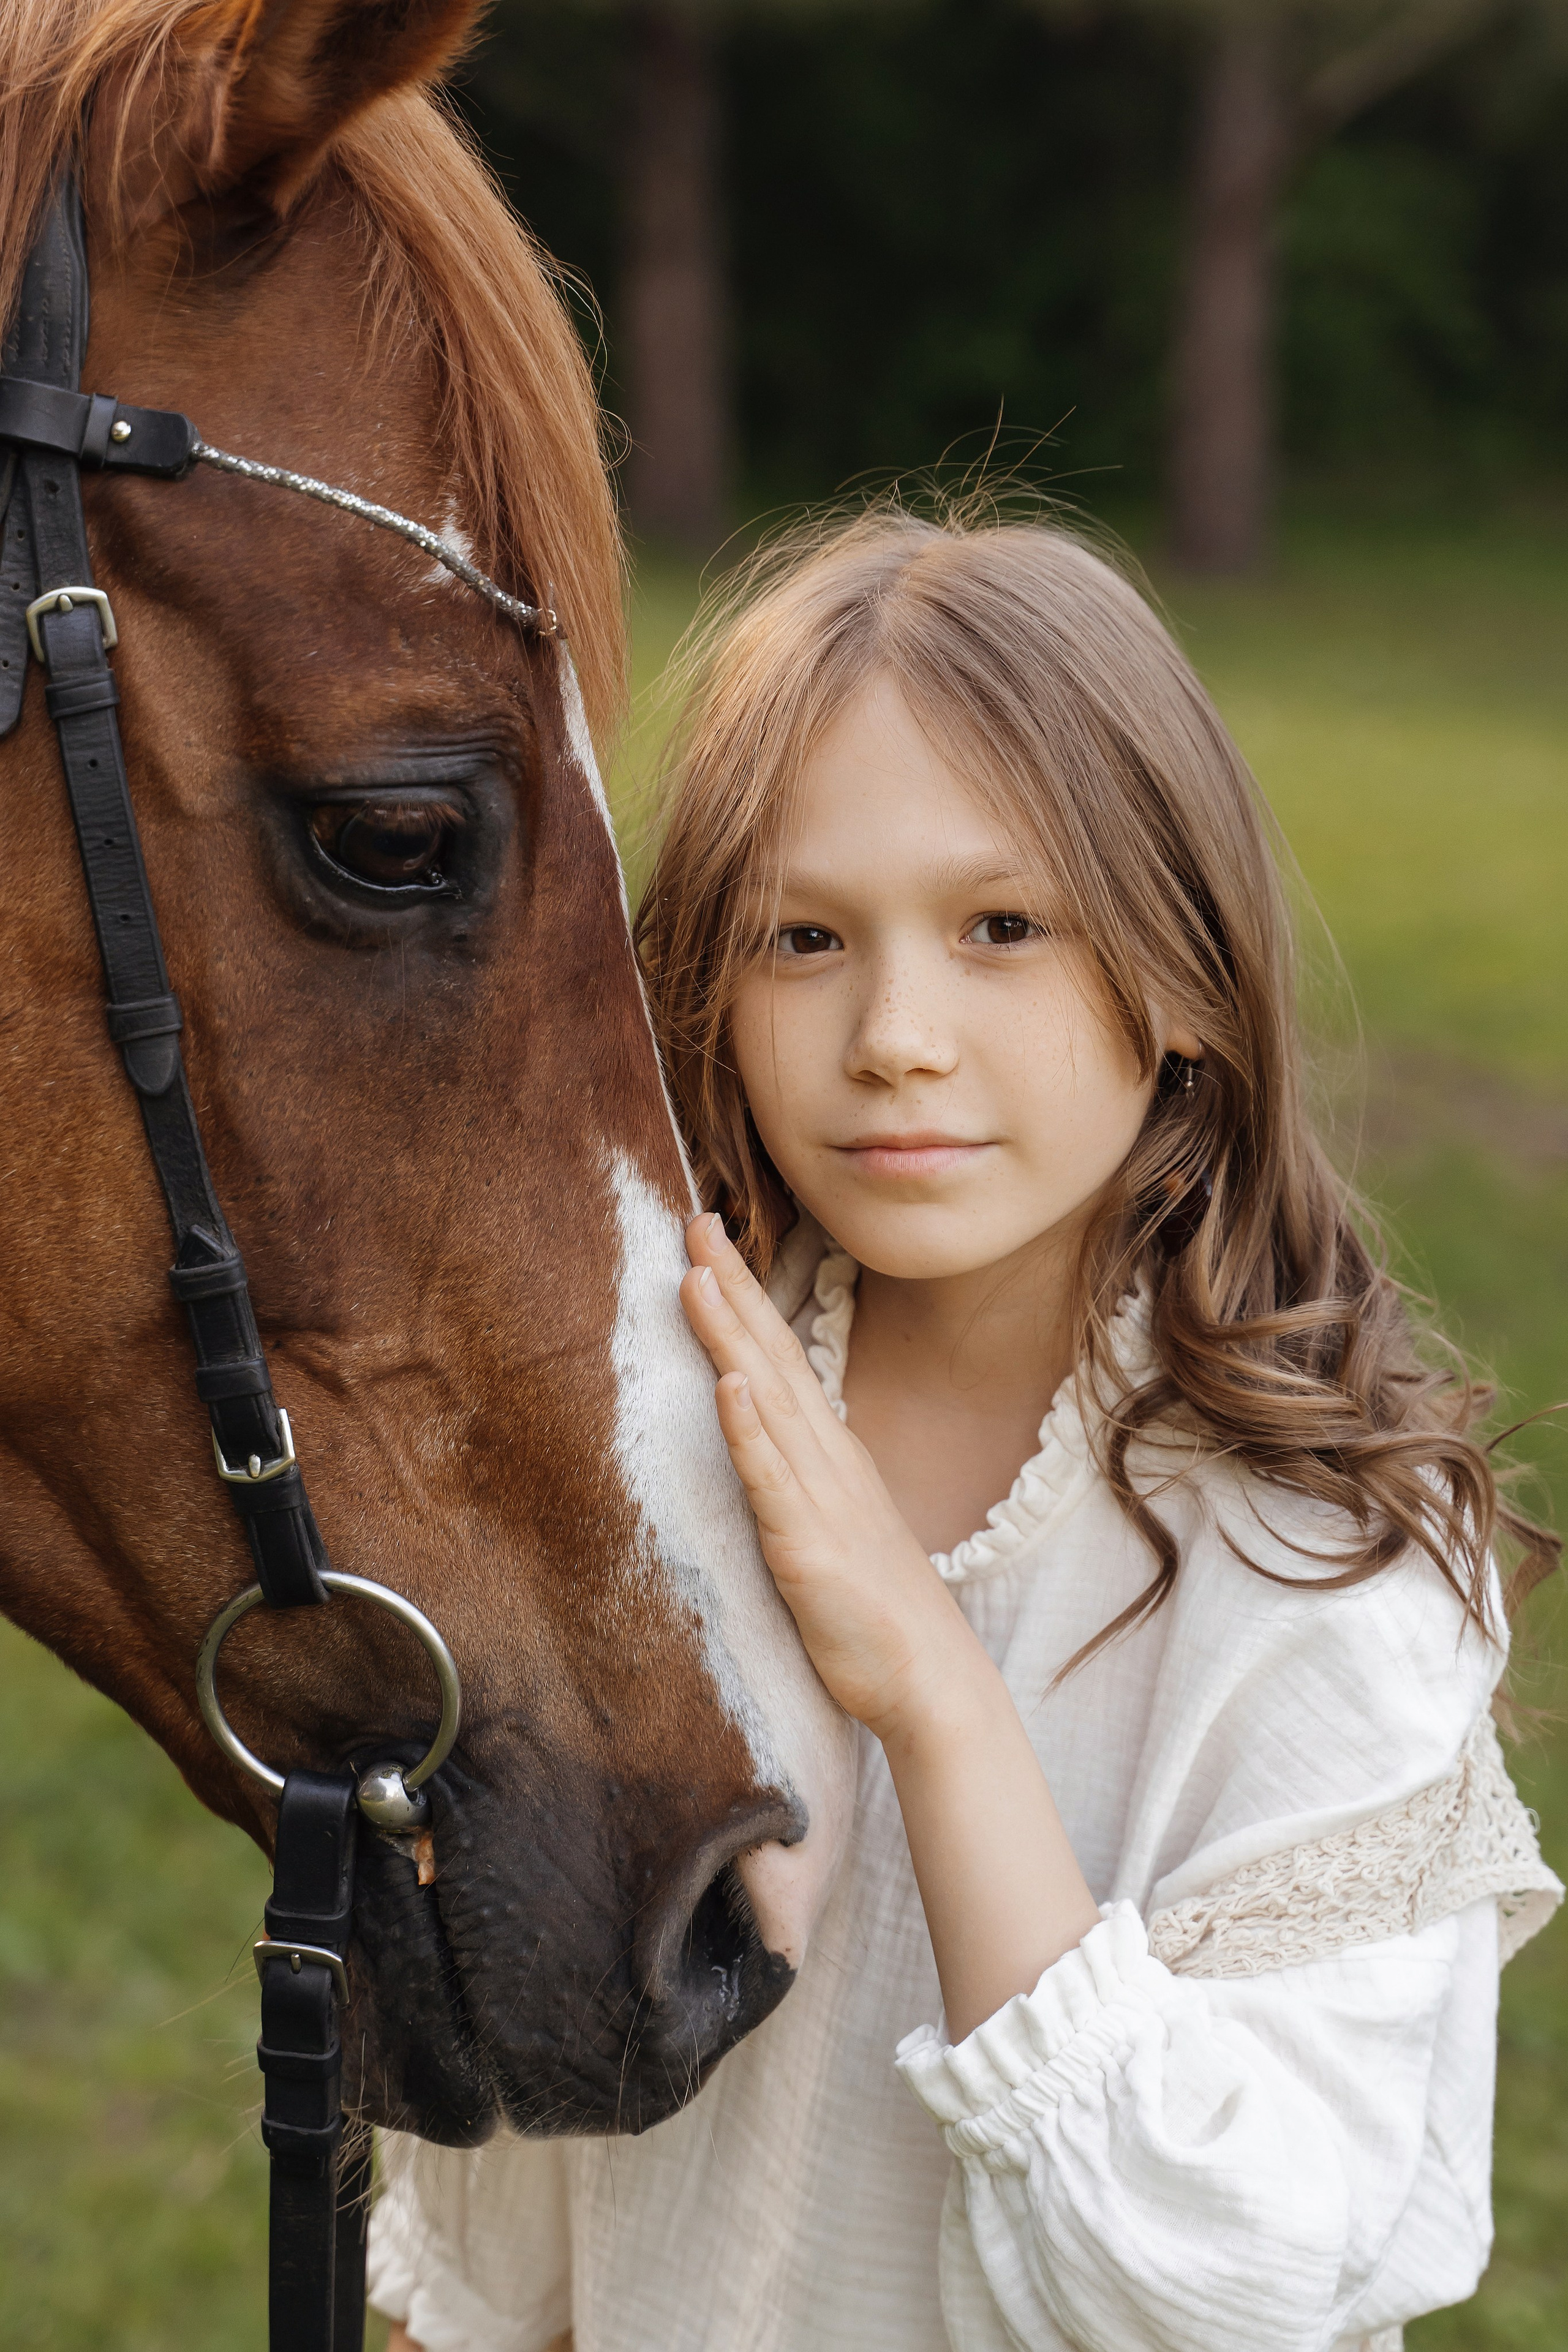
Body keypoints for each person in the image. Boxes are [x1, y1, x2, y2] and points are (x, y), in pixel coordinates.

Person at [372, 508, 1561, 2352]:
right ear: (707, 987)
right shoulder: (640, 1450)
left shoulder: (1322, 1573)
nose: (895, 1035)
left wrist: (930, 1693)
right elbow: (505, 2214)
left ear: (1179, 972)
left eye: (1001, 927)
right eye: (805, 937)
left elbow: (1222, 2283)